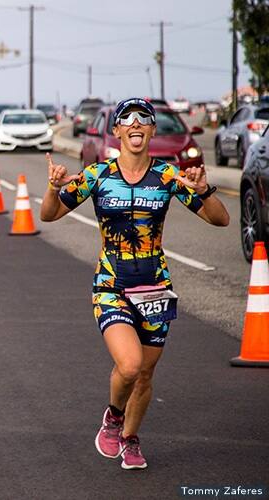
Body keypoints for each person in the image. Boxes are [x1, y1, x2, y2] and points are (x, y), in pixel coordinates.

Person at [40, 97, 230, 470]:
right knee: (129, 365)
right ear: (117, 131)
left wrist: (205, 190)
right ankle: (113, 418)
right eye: (127, 119)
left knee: (144, 373)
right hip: (111, 284)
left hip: (155, 287)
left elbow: (221, 220)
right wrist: (52, 188)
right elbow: (49, 215)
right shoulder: (97, 175)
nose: (136, 124)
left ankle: (130, 437)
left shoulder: (167, 176)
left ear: (152, 130)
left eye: (145, 119)